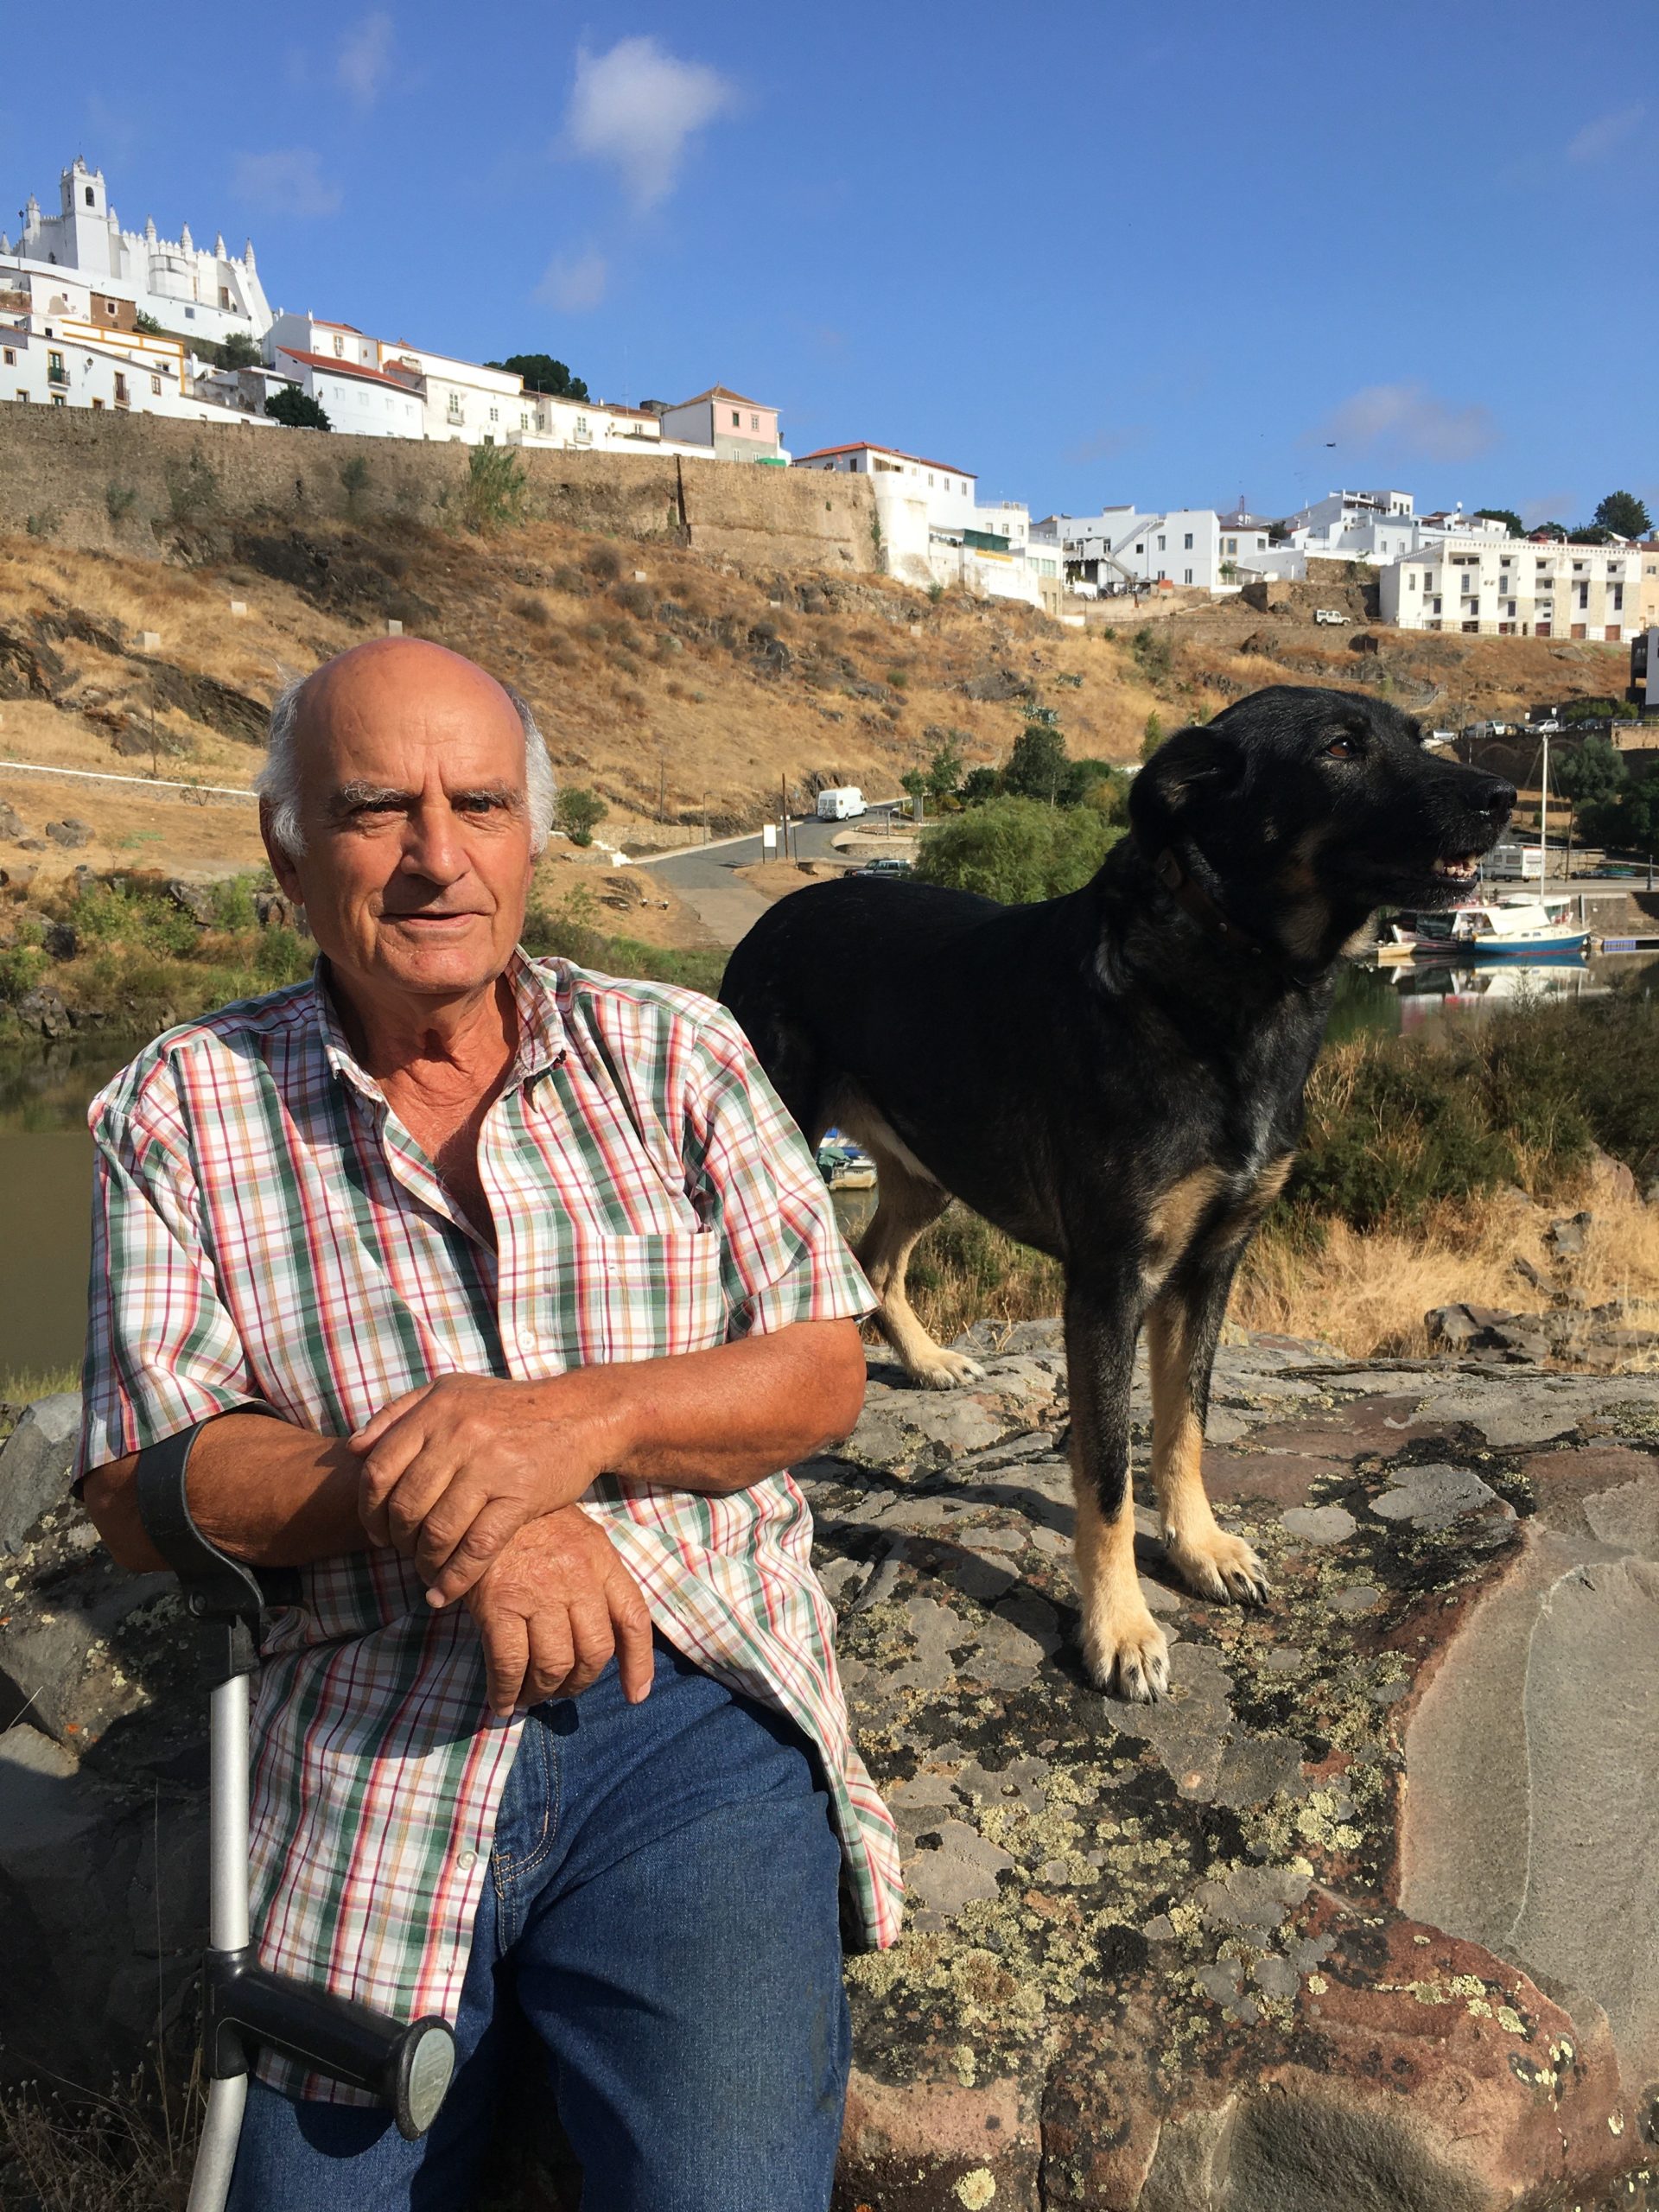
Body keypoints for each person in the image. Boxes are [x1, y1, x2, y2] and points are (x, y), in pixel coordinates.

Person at [78, 638, 902, 2211]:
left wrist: (567, 1425)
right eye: (379, 808)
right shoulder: (179, 1107)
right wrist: (468, 1500)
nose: (438, 857)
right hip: (367, 1742)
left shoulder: (679, 1052)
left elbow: (819, 1369)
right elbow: (143, 1484)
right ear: (288, 850)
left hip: (691, 1729)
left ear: (532, 835)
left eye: (481, 805)